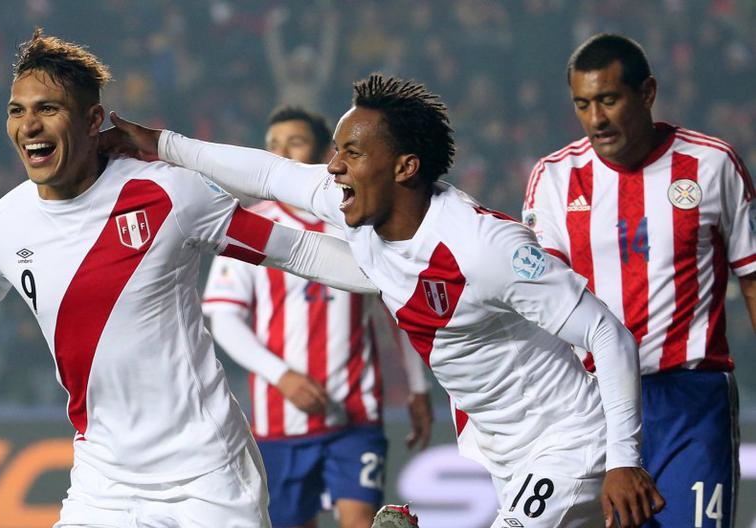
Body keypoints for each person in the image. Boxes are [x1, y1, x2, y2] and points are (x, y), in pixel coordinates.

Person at [0, 30, 381, 528]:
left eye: (48, 108)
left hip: (208, 478)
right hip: (105, 482)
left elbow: (299, 250)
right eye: (17, 110)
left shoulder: (168, 192)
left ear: (94, 119)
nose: (29, 125)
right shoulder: (0, 226)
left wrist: (401, 275)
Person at [101, 73, 666, 528]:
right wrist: (159, 144)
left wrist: (623, 460)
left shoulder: (486, 246)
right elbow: (270, 174)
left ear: (405, 167)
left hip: (570, 444)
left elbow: (606, 334)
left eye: (351, 152)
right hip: (494, 447)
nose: (334, 166)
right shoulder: (365, 219)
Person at [522, 33, 756, 527]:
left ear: (647, 93)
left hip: (691, 399)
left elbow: (752, 279)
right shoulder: (554, 179)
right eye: (583, 105)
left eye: (608, 100)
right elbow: (541, 302)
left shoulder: (712, 165)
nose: (596, 119)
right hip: (592, 403)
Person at [202, 106, 432, 528]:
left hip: (356, 412)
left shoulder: (358, 223)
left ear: (325, 153)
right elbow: (225, 319)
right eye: (272, 145)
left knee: (362, 520)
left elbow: (400, 308)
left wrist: (418, 387)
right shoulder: (249, 225)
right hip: (281, 419)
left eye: (294, 142)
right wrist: (281, 375)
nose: (280, 152)